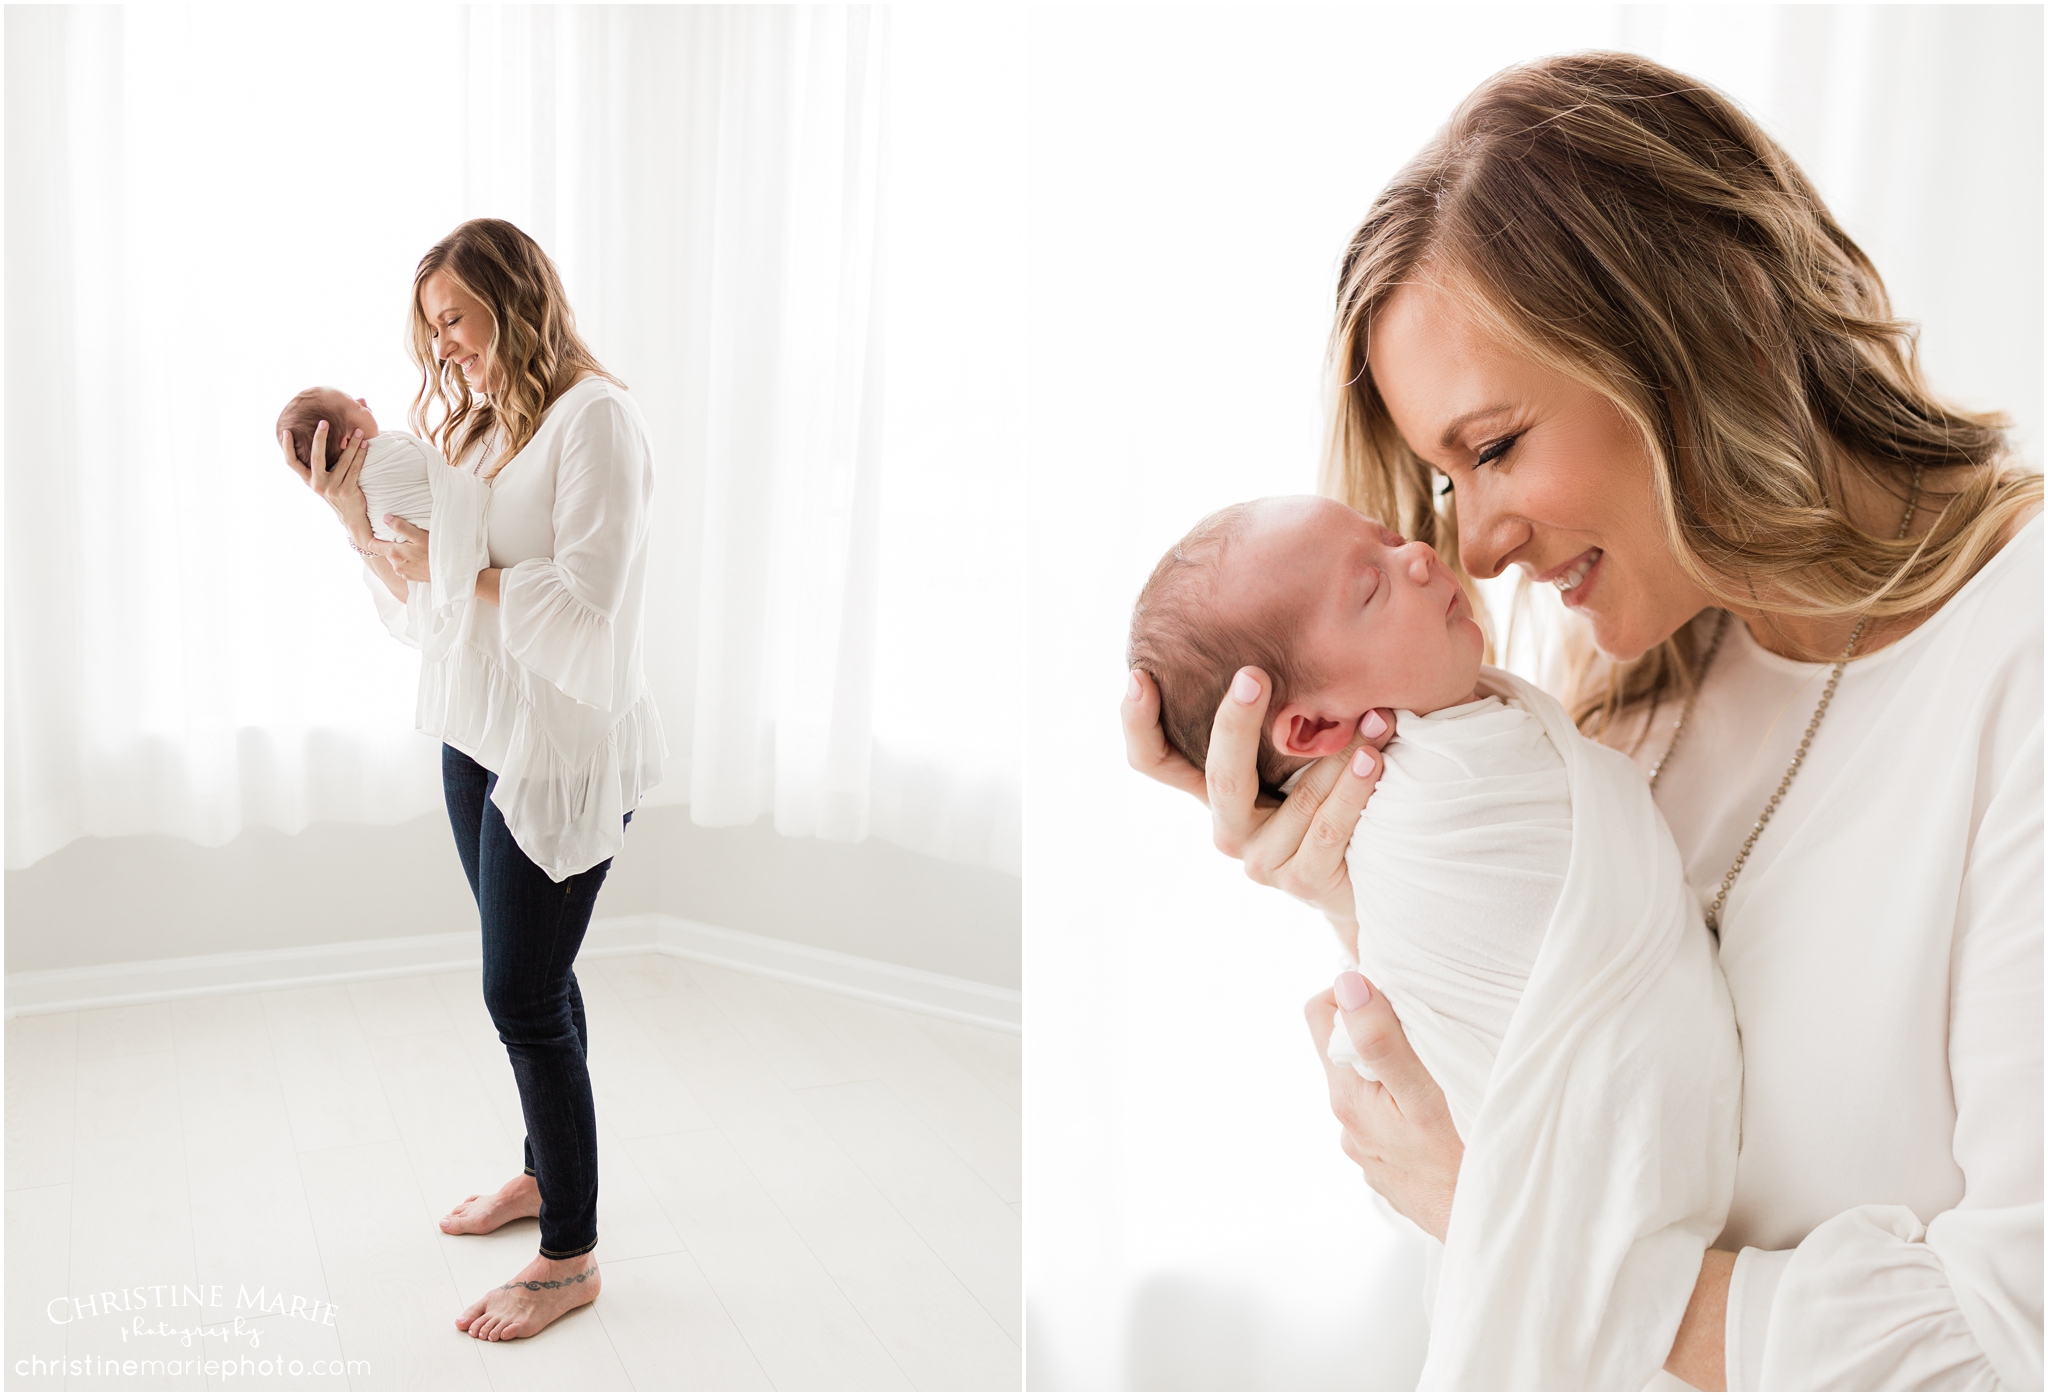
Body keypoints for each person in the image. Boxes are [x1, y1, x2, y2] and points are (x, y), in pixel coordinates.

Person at [1122, 53, 2041, 1391]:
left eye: (1492, 448)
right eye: (1443, 478)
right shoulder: (1612, 713)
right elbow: (1511, 1139)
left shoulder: (2017, 671)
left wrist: (1520, 1235)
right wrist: (1366, 886)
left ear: (1708, 323)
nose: (1476, 543)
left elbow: (2008, 1352)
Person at [1128, 493, 1741, 1387]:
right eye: (1371, 586)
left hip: (1614, 1273)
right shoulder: (1432, 803)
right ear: (1311, 730)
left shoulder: (1473, 740)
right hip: (1607, 1239)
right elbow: (1451, 1047)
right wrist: (1344, 905)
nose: (1421, 554)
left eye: (1390, 536)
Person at [278, 218, 665, 1343]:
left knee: (519, 994)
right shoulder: (494, 422)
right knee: (539, 979)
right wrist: (356, 515)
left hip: (562, 747)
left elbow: (589, 600)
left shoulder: (596, 419)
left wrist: (457, 570)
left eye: (454, 317)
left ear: (514, 294)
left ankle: (571, 1256)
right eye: (429, 329)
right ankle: (547, 1174)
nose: (442, 347)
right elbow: (430, 611)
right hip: (478, 731)